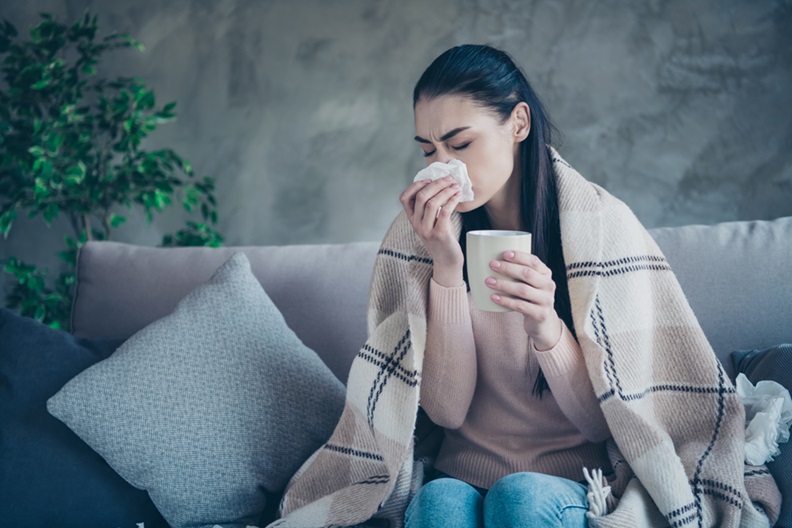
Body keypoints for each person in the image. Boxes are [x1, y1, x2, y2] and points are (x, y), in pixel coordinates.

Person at [398, 44, 608, 528]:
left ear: (518, 124)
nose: (443, 166)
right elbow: (446, 413)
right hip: (461, 472)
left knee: (521, 498)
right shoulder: (431, 238)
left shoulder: (590, 231)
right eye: (429, 150)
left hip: (565, 483)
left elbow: (604, 422)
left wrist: (546, 325)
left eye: (460, 144)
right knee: (436, 503)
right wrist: (447, 269)